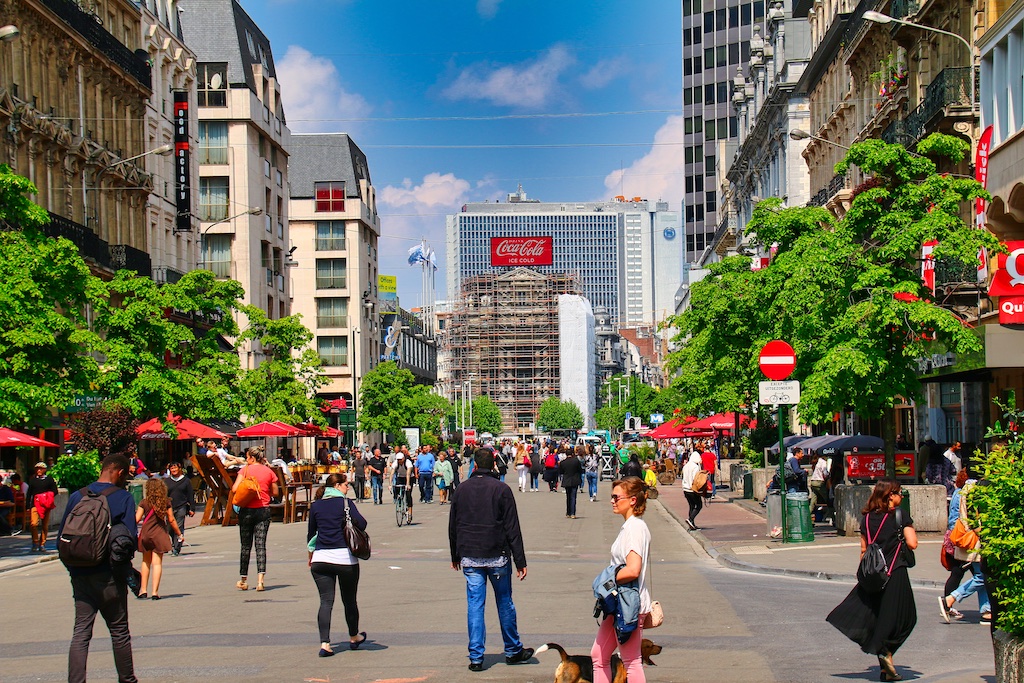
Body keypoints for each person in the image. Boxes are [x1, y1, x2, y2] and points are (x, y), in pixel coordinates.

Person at [449, 448, 533, 672]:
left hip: (470, 554)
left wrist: (455, 554)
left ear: (474, 465)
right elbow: (512, 528)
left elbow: (453, 524)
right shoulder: (501, 489)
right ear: (494, 464)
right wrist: (520, 560)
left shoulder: (462, 490)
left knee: (475, 605)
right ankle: (513, 649)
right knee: (504, 602)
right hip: (497, 554)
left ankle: (476, 656)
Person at [827, 479, 918, 681]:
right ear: (890, 495)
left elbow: (863, 549)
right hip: (896, 571)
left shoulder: (866, 519)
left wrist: (866, 574)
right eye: (899, 493)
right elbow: (912, 543)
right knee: (907, 617)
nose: (902, 496)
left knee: (880, 616)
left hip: (873, 574)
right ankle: (887, 650)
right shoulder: (899, 516)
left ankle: (886, 671)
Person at [61, 454, 139, 683]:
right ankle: (127, 679)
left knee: (81, 633)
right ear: (121, 472)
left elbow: (62, 540)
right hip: (110, 576)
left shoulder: (78, 496)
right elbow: (129, 540)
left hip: (80, 573)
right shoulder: (123, 497)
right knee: (119, 632)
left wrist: (74, 568)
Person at [591, 477, 651, 683]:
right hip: (618, 603)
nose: (612, 501)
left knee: (631, 661)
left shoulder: (635, 528)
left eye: (617, 497)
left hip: (628, 605)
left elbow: (633, 569)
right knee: (599, 656)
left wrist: (607, 579)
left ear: (633, 500)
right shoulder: (630, 527)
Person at [307, 473, 368, 657]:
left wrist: (310, 557)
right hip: (344, 559)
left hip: (320, 558)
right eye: (345, 484)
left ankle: (325, 644)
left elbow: (311, 535)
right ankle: (354, 636)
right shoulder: (346, 504)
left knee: (326, 601)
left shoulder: (316, 506)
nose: (347, 487)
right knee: (349, 600)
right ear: (338, 486)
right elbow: (363, 524)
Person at [940, 476, 990, 623]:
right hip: (975, 539)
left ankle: (986, 609)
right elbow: (972, 518)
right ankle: (951, 598)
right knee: (981, 576)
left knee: (979, 575)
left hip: (967, 538)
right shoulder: (975, 490)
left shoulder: (962, 491)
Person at [230, 447, 279, 592]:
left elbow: (234, 489)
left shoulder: (244, 470)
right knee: (261, 545)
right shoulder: (269, 471)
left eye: (247, 457)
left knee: (245, 546)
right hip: (263, 510)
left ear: (252, 457)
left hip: (247, 511)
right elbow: (275, 492)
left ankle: (243, 579)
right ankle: (260, 581)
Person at [135, 478, 183, 600]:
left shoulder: (144, 502)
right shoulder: (165, 502)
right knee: (157, 564)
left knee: (145, 562)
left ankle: (143, 590)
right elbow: (171, 519)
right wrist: (179, 533)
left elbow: (137, 519)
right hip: (159, 534)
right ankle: (155, 592)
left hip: (146, 534)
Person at [163, 461, 194, 556]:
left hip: (182, 506)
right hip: (169, 507)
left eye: (175, 468)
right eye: (172, 468)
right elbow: (164, 494)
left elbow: (190, 495)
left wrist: (192, 508)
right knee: (170, 528)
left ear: (180, 469)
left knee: (179, 527)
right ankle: (174, 543)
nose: (174, 470)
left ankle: (176, 548)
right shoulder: (167, 481)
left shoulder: (186, 481)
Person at [27, 461, 58, 552]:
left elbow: (54, 491)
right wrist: (27, 505)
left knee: (44, 525)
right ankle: (35, 542)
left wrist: (46, 497)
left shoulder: (49, 479)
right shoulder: (33, 480)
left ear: (44, 470)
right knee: (33, 523)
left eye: (41, 468)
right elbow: (29, 493)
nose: (39, 470)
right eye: (37, 469)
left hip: (45, 505)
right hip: (35, 504)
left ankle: (42, 543)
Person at [559, 446, 585, 519]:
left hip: (567, 480)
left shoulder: (563, 462)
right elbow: (580, 470)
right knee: (573, 497)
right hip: (575, 480)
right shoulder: (576, 461)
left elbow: (561, 472)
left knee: (568, 497)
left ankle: (568, 512)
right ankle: (573, 513)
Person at [680, 452, 704, 530]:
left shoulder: (686, 466)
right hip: (692, 489)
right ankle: (690, 519)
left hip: (685, 489)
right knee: (699, 505)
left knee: (691, 506)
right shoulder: (695, 467)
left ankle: (692, 524)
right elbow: (695, 478)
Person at [390, 450, 415, 523]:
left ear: (403, 458)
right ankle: (399, 503)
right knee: (397, 490)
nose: (399, 461)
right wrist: (390, 484)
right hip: (400, 477)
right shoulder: (395, 463)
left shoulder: (408, 463)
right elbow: (391, 474)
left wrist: (407, 484)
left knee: (408, 494)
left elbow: (408, 474)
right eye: (398, 460)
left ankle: (409, 512)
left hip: (409, 478)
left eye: (400, 459)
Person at [809, 452, 831, 523]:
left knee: (813, 501)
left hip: (813, 481)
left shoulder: (817, 462)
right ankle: (833, 517)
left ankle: (806, 517)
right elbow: (825, 473)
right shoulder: (823, 462)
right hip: (819, 482)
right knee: (827, 500)